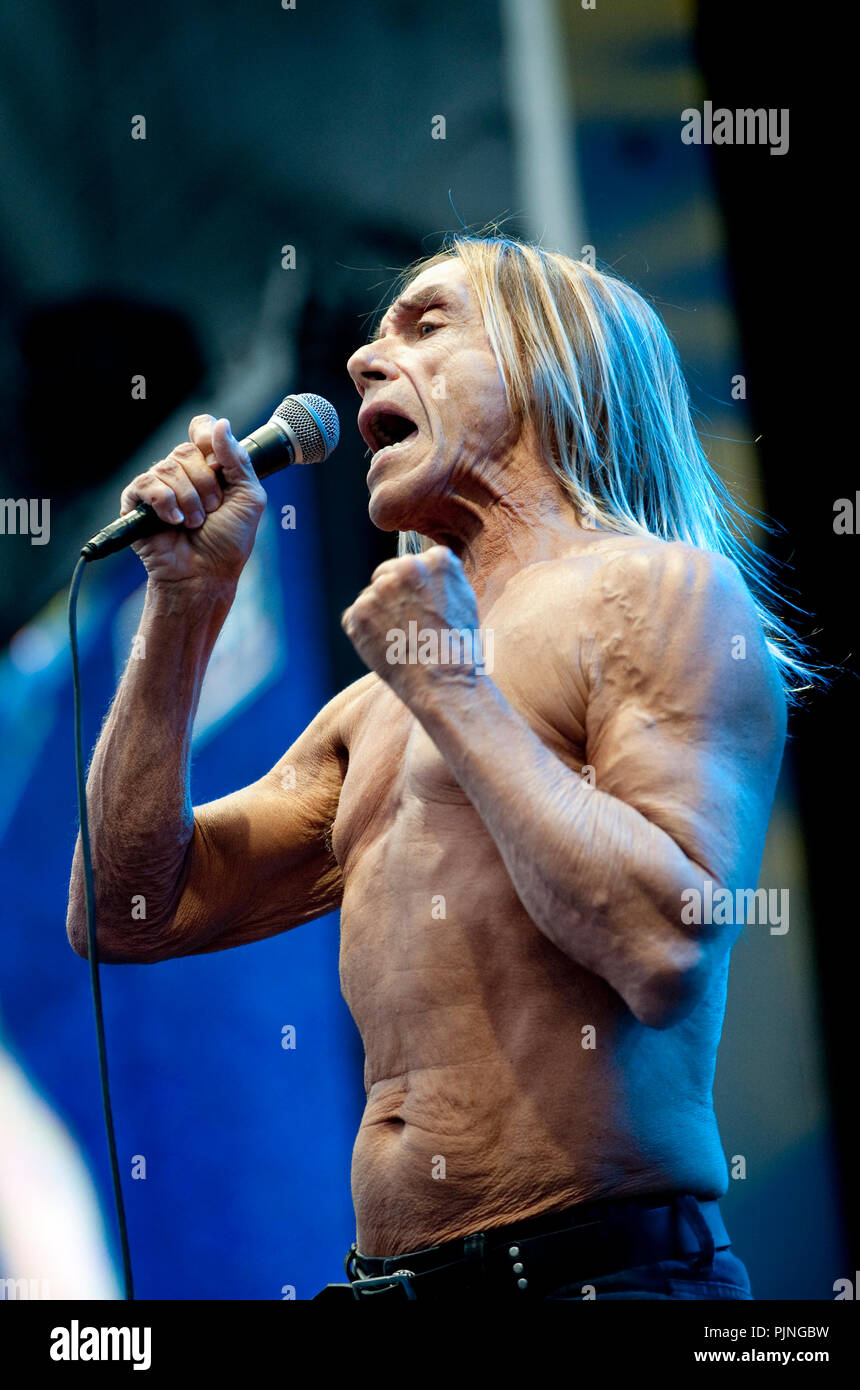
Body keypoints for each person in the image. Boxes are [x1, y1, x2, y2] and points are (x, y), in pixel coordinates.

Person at [67, 235, 811, 1302]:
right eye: (371, 339)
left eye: (425, 325)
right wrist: (184, 606)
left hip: (600, 1280)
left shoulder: (657, 593)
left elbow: (661, 944)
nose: (368, 362)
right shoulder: (372, 708)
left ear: (559, 365)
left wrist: (452, 684)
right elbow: (126, 907)